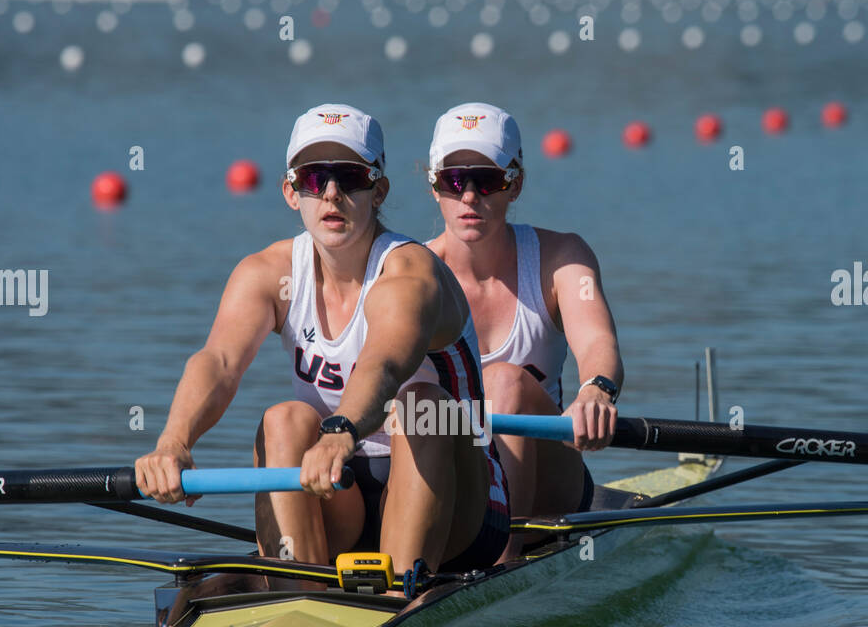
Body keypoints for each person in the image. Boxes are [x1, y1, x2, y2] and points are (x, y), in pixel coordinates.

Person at [135, 104, 509, 579]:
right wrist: (174, 442)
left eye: (350, 177)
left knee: (420, 404)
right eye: (314, 178)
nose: (332, 193)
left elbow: (385, 365)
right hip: (337, 484)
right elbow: (220, 361)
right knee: (284, 418)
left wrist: (342, 430)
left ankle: (399, 595)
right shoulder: (267, 273)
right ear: (291, 192)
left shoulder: (409, 272)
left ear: (379, 191)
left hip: (461, 505)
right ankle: (299, 588)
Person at [425, 103, 623, 560]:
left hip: (549, 488)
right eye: (454, 181)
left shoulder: (562, 258)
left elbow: (597, 341)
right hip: (454, 471)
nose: (469, 197)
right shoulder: (410, 272)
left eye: (488, 179)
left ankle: (504, 558)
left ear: (515, 184)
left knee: (504, 381)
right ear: (435, 186)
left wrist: (596, 390)